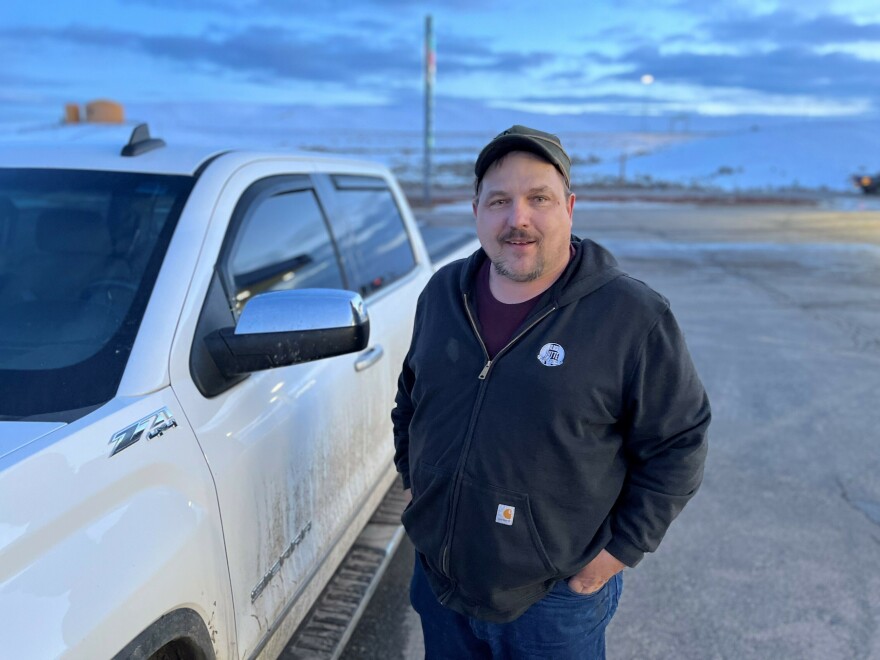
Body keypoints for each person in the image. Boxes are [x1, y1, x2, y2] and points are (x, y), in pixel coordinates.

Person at [391, 125, 710, 659]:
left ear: (569, 207)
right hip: (441, 586)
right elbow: (411, 400)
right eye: (499, 201)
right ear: (476, 211)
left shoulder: (631, 316)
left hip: (554, 603)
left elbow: (679, 443)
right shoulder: (443, 293)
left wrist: (615, 555)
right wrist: (414, 484)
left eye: (538, 198)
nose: (518, 218)